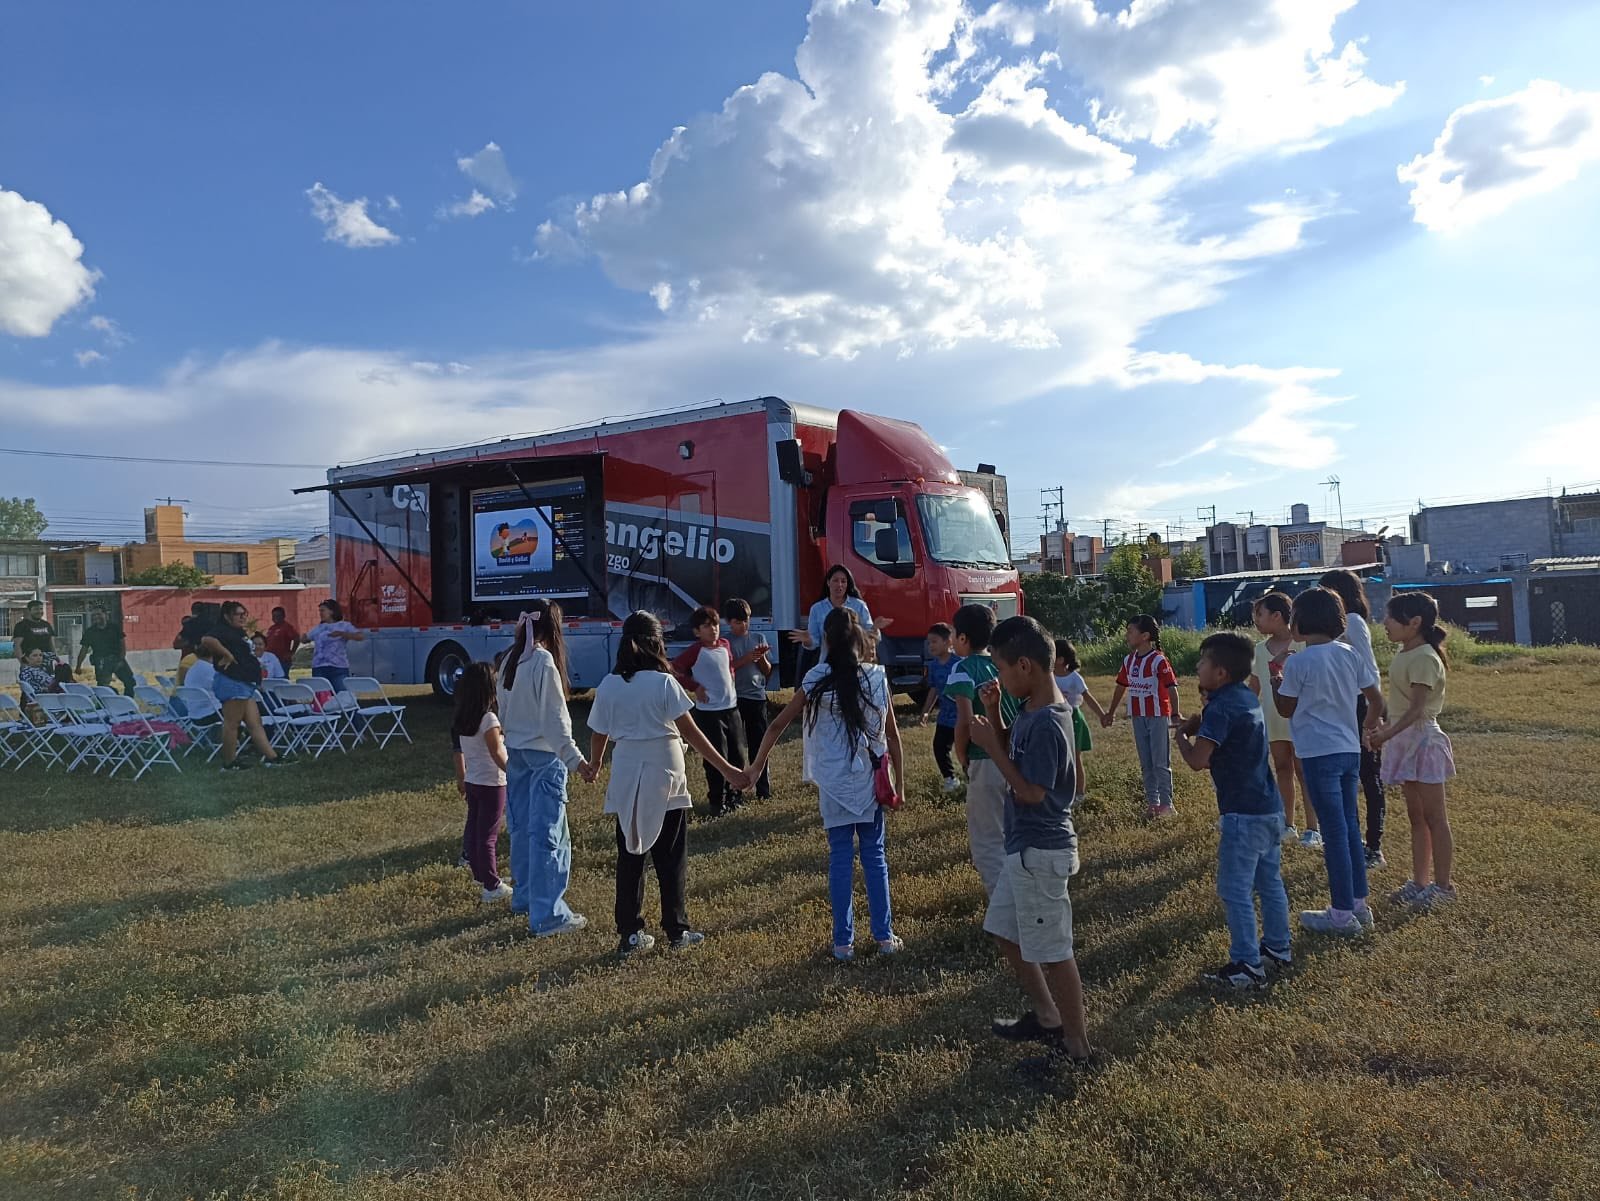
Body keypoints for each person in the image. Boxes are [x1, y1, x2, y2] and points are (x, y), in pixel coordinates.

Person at [966, 616, 1091, 1074]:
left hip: (1041, 852)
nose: (997, 678)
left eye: (999, 669)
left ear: (1025, 665)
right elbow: (1015, 756)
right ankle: (1047, 1016)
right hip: (1023, 849)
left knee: (1055, 952)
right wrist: (997, 716)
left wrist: (990, 748)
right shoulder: (1029, 711)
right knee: (1004, 930)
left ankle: (1077, 1049)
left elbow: (1032, 791)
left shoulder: (1049, 723)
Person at [749, 606, 904, 961]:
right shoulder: (876, 678)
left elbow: (776, 725)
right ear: (860, 640)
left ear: (829, 641)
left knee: (839, 859)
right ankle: (884, 938)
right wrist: (902, 784)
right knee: (875, 857)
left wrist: (757, 766)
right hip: (868, 778)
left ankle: (842, 944)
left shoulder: (815, 679)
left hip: (833, 780)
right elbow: (892, 736)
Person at [587, 612, 745, 955]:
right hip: (665, 772)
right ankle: (676, 930)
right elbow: (691, 732)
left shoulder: (610, 684)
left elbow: (599, 732)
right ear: (656, 643)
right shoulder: (663, 683)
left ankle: (630, 934)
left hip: (627, 772)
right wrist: (729, 769)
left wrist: (596, 763)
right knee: (670, 856)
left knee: (631, 852)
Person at [1175, 632, 1292, 990]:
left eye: (1203, 662)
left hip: (1242, 814)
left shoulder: (1221, 706)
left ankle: (1246, 964)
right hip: (1269, 808)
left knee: (1235, 889)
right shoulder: (1245, 696)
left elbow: (1198, 761)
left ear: (1221, 672)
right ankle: (1277, 948)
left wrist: (1182, 734)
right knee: (1269, 882)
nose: (1197, 667)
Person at [1270, 588, 1384, 936]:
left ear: (1299, 623)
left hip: (1317, 754)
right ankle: (1360, 905)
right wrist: (1367, 729)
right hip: (1349, 751)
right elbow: (1376, 700)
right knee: (1349, 826)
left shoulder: (1300, 661)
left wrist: (1277, 682)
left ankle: (1340, 914)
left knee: (1333, 832)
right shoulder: (1350, 653)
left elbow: (1285, 709)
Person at [497, 600, 591, 937]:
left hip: (517, 753)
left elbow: (504, 712)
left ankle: (524, 897)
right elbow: (554, 720)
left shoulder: (509, 658)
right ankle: (549, 915)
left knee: (522, 829)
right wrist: (575, 759)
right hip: (544, 756)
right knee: (549, 835)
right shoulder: (543, 661)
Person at [1369, 592, 1457, 911]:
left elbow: (1418, 710)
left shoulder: (1423, 657)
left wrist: (1387, 733)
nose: (1384, 624)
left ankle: (1443, 887)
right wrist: (1385, 728)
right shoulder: (1405, 653)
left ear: (1414, 622)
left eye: (1390, 618)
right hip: (1404, 740)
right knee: (1416, 817)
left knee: (1435, 817)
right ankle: (1419, 883)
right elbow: (1401, 704)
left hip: (1422, 742)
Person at [944, 603, 1021, 897]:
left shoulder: (962, 670)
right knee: (1012, 835)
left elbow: (964, 721)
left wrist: (962, 755)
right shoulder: (1001, 666)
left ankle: (1005, 914)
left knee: (987, 841)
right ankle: (1022, 897)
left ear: (963, 639)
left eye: (952, 634)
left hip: (984, 759)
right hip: (1014, 759)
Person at [1319, 569, 1387, 868]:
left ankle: (1374, 846)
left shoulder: (1355, 622)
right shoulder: (1336, 627)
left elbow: (1369, 670)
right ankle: (1356, 840)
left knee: (1369, 777)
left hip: (1361, 706)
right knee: (1349, 776)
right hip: (1342, 706)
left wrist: (1373, 716)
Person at [1247, 593, 1317, 848]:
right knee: (1282, 769)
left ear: (1277, 616)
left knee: (1303, 771)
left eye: (1260, 614)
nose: (1256, 620)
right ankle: (1288, 823)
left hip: (1300, 719)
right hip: (1273, 719)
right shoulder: (1258, 649)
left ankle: (1313, 828)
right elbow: (1254, 686)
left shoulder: (1303, 645)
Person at [1103, 614, 1184, 819]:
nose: (1127, 635)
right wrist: (1111, 712)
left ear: (1145, 636)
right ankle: (1152, 803)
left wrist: (1174, 714)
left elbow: (1172, 688)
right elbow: (1121, 686)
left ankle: (1167, 805)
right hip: (1138, 716)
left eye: (1131, 631)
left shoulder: (1158, 659)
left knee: (1160, 762)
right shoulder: (1128, 660)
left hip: (1157, 716)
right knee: (1146, 762)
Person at [671, 606, 747, 817]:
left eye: (714, 624)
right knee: (717, 758)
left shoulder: (725, 644)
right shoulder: (696, 650)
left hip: (731, 709)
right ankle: (717, 801)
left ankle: (735, 797)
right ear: (697, 631)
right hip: (709, 712)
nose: (713, 629)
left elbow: (729, 666)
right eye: (706, 626)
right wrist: (695, 686)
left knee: (738, 755)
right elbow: (674, 669)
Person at [199, 601, 288, 771]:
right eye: (238, 614)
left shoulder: (237, 632)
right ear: (227, 616)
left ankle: (273, 758)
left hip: (245, 683)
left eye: (244, 614)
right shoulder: (221, 629)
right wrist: (227, 654)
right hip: (233, 682)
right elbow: (206, 639)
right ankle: (229, 763)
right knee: (232, 724)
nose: (243, 617)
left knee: (255, 723)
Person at [451, 662, 513, 904]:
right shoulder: (488, 719)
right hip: (492, 783)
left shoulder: (463, 717)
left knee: (475, 830)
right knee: (488, 835)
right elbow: (498, 753)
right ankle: (491, 885)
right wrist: (513, 772)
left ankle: (481, 873)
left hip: (473, 780)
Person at [723, 598, 776, 801]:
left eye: (745, 621)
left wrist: (761, 657)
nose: (743, 625)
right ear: (729, 622)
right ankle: (735, 791)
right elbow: (727, 669)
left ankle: (763, 789)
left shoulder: (758, 637)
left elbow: (768, 672)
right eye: (737, 622)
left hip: (756, 697)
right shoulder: (726, 642)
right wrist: (747, 658)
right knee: (736, 747)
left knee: (759, 745)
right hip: (735, 699)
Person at [1053, 639, 1108, 808]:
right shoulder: (1049, 676)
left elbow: (1088, 698)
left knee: (1075, 757)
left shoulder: (1074, 678)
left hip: (1073, 717)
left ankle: (1079, 793)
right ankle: (1059, 791)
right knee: (1057, 756)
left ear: (1061, 660)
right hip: (1054, 718)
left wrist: (1102, 715)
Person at [788, 564, 890, 653]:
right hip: (827, 663)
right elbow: (815, 642)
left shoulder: (859, 606)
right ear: (828, 582)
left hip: (854, 663)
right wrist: (808, 640)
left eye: (843, 581)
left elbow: (871, 637)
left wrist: (875, 628)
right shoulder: (817, 609)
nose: (839, 585)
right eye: (835, 580)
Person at [917, 622, 962, 794]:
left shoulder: (959, 663)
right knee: (939, 747)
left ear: (948, 642)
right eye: (929, 642)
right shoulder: (934, 665)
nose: (931, 646)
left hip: (961, 717)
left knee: (964, 750)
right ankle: (950, 779)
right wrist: (926, 710)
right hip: (945, 717)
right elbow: (934, 688)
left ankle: (972, 777)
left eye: (934, 641)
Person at [304, 599, 364, 695]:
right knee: (322, 697)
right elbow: (305, 638)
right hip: (319, 667)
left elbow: (360, 636)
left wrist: (342, 634)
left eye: (323, 610)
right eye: (319, 611)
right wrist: (303, 637)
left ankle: (343, 710)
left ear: (331, 611)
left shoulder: (344, 625)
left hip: (338, 667)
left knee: (341, 695)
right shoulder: (319, 628)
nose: (320, 613)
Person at [75, 609, 137, 693]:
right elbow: (84, 650)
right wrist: (78, 666)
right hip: (101, 661)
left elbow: (122, 645)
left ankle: (127, 703)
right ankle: (111, 699)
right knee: (103, 687)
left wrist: (121, 659)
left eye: (99, 614)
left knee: (130, 682)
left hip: (116, 659)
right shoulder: (90, 632)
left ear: (105, 615)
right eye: (94, 615)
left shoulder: (114, 628)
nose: (96, 617)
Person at [264, 607, 301, 672]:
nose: (275, 618)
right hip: (271, 660)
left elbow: (296, 638)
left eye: (278, 616)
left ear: (283, 616)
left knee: (282, 679)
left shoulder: (287, 627)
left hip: (282, 660)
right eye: (274, 616)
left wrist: (292, 652)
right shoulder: (271, 628)